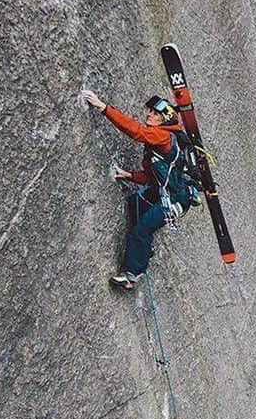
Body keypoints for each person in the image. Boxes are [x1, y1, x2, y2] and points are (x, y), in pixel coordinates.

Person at [81, 89, 199, 290]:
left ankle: (131, 276)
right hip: (165, 191)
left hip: (174, 200)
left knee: (141, 230)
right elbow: (157, 174)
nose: (149, 115)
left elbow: (136, 132)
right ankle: (142, 250)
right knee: (135, 203)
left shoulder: (164, 137)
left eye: (155, 114)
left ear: (164, 119)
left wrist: (103, 108)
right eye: (150, 112)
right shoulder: (165, 138)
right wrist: (131, 176)